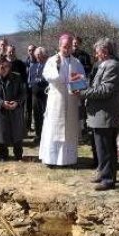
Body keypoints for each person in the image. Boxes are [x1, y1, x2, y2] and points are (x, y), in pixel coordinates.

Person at [75, 38, 119, 191]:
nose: (95, 54)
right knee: (100, 147)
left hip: (105, 114)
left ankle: (108, 180)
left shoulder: (113, 66)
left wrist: (83, 93)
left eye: (97, 51)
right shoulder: (103, 65)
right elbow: (96, 84)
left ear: (105, 51)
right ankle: (102, 173)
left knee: (107, 149)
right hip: (98, 115)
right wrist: (82, 80)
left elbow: (105, 90)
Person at [39, 34, 85, 167]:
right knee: (53, 128)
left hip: (71, 100)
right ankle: (51, 159)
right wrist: (58, 68)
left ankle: (68, 159)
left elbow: (81, 79)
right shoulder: (52, 60)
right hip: (56, 100)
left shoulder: (76, 62)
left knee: (69, 130)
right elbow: (47, 75)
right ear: (59, 46)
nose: (67, 49)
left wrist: (78, 86)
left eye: (69, 47)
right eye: (65, 47)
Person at [0, 58, 26, 161]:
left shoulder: (17, 77)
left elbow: (23, 93)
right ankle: (3, 155)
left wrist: (17, 102)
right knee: (1, 133)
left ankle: (18, 154)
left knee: (17, 134)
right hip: (1, 111)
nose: (5, 69)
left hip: (15, 110)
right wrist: (1, 103)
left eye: (7, 66)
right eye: (2, 67)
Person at [72, 36, 92, 138]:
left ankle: (83, 127)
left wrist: (79, 70)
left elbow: (89, 68)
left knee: (82, 107)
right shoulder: (68, 55)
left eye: (77, 43)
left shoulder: (85, 56)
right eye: (73, 43)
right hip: (70, 84)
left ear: (80, 44)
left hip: (82, 84)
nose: (75, 44)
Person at [30, 47, 49, 144]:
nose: (37, 56)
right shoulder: (33, 66)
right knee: (36, 116)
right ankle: (38, 135)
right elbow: (30, 78)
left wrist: (40, 80)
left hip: (45, 95)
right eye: (36, 54)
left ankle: (45, 136)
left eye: (39, 54)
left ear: (43, 55)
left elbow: (48, 79)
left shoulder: (48, 65)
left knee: (45, 116)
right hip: (35, 95)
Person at [25, 44, 38, 132]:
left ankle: (37, 128)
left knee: (36, 109)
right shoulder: (25, 62)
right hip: (26, 88)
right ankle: (27, 127)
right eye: (29, 50)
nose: (31, 52)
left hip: (36, 89)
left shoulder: (40, 62)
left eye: (33, 50)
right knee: (27, 109)